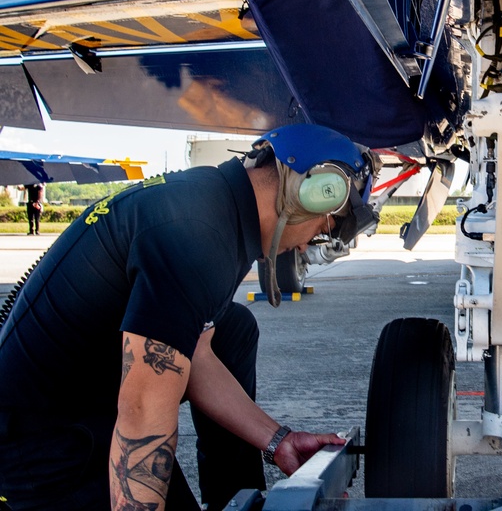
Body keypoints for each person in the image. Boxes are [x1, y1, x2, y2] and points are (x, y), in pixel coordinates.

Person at [0, 123, 379, 511]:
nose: (310, 241)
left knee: (233, 329)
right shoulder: (196, 234)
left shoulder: (214, 206)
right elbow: (144, 411)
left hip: (86, 401)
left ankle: (232, 491)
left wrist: (276, 439)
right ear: (310, 194)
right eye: (325, 226)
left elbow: (196, 355)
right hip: (45, 443)